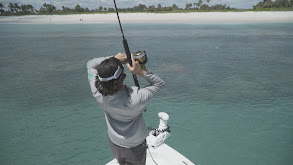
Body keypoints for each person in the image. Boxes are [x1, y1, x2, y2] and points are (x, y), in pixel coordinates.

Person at [86, 53, 165, 165]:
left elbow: (90, 64)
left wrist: (113, 58)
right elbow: (159, 83)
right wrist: (141, 71)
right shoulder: (136, 98)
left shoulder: (97, 94)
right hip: (135, 146)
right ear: (122, 77)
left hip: (114, 142)